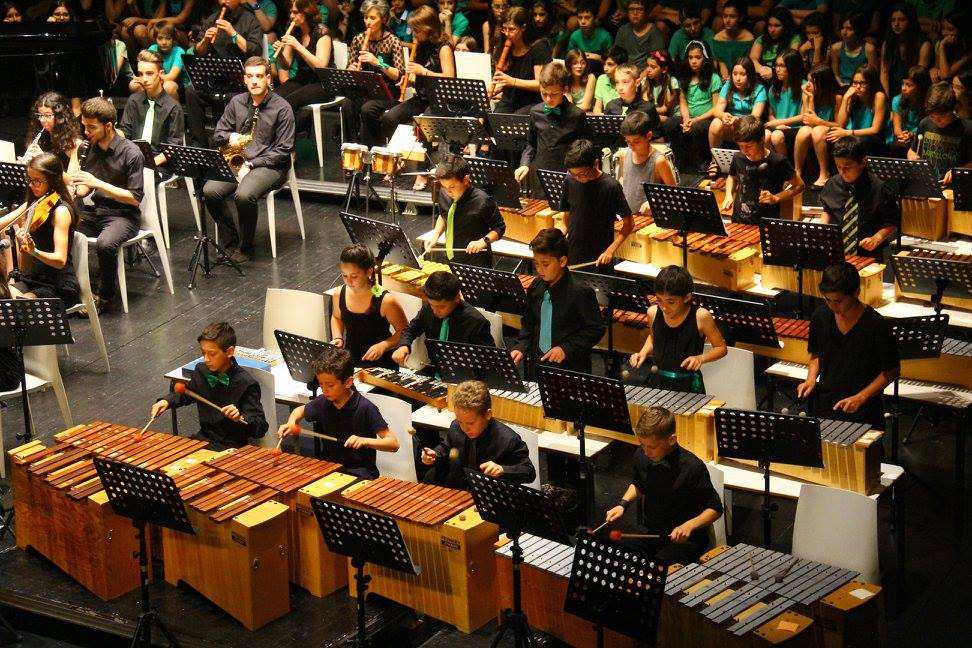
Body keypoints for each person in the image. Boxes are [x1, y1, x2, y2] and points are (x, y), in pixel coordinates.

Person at [603, 406, 723, 565]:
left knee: (657, 568)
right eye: (642, 444)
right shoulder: (641, 455)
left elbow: (715, 508)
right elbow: (639, 484)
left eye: (652, 447)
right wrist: (622, 505)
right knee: (612, 553)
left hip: (685, 539)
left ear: (672, 440)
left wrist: (689, 526)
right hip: (651, 532)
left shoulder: (693, 467)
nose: (646, 452)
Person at [203, 56, 295, 264]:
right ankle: (230, 242)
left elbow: (284, 150)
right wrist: (230, 137)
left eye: (259, 76)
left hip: (270, 165)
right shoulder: (236, 102)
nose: (254, 81)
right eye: (250, 76)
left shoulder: (282, 108)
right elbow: (218, 134)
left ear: (268, 78)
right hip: (239, 161)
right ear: (244, 79)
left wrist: (252, 164)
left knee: (244, 195)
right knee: (210, 191)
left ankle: (246, 248)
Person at [797, 261, 900, 428]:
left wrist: (860, 397)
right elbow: (816, 354)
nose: (832, 306)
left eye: (838, 301)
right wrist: (810, 379)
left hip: (864, 413)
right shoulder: (820, 316)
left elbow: (891, 371)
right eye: (828, 300)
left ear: (856, 292)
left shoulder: (876, 325)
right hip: (825, 406)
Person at [278, 347, 399, 477]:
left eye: (330, 385)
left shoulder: (366, 408)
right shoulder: (323, 402)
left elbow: (393, 443)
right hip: (330, 468)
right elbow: (300, 410)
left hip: (361, 473)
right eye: (321, 384)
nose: (324, 390)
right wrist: (291, 422)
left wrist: (365, 441)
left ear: (348, 382)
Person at [72, 97, 145, 315]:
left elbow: (135, 198)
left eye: (91, 127)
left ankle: (105, 296)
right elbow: (86, 188)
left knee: (105, 244)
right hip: (97, 212)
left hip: (124, 215)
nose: (86, 132)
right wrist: (76, 189)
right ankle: (69, 288)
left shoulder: (131, 153)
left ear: (108, 126)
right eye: (84, 126)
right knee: (60, 226)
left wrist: (97, 183)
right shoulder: (88, 148)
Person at [152, 322, 269, 450]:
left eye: (212, 354)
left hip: (230, 447)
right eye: (203, 353)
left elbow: (261, 427)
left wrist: (240, 417)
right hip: (203, 440)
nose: (206, 359)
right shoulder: (201, 370)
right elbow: (187, 394)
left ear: (229, 352)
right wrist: (166, 401)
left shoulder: (246, 383)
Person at [511, 228, 605, 375]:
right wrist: (521, 346)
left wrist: (566, 348)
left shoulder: (580, 292)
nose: (539, 270)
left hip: (570, 368)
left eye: (545, 264)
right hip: (537, 365)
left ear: (562, 261)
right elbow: (529, 323)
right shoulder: (536, 287)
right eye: (536, 264)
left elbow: (595, 329)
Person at [420, 380, 536, 490]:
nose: (465, 428)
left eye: (471, 423)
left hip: (490, 494)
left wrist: (502, 469)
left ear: (488, 414)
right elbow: (446, 447)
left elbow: (529, 472)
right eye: (460, 421)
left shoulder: (508, 440)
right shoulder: (456, 427)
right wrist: (435, 455)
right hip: (460, 489)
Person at [629, 266, 727, 393]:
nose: (664, 307)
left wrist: (700, 358)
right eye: (659, 300)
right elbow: (654, 338)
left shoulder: (700, 316)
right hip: (658, 381)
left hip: (688, 386)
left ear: (687, 297)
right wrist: (642, 353)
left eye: (671, 302)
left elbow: (721, 348)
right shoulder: (653, 312)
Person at [0, 154, 79, 304]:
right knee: (4, 298)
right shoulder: (34, 205)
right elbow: (3, 223)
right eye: (30, 179)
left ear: (53, 180)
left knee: (21, 305)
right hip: (33, 279)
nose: (31, 185)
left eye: (37, 181)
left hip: (58, 284)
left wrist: (33, 251)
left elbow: (60, 261)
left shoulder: (61, 211)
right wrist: (24, 247)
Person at [184, 0, 264, 148]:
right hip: (215, 76)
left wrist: (233, 33)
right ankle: (199, 146)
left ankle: (228, 146)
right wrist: (205, 40)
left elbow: (255, 51)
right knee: (191, 91)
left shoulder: (250, 20)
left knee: (232, 98)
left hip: (240, 80)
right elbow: (199, 52)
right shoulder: (212, 19)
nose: (224, 1)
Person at [379, 5, 456, 144]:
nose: (414, 34)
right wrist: (409, 81)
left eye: (417, 30)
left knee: (423, 126)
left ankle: (426, 155)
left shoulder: (444, 48)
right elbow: (419, 76)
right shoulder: (421, 45)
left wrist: (423, 71)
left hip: (440, 101)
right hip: (422, 98)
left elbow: (450, 78)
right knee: (389, 118)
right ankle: (395, 152)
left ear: (429, 29)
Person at [392, 271, 495, 368]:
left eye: (441, 307)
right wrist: (404, 345)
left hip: (465, 374)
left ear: (457, 298)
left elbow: (488, 359)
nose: (435, 311)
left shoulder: (476, 321)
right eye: (432, 305)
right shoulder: (428, 309)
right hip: (435, 369)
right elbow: (411, 329)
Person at [558, 139, 633, 270]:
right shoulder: (569, 181)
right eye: (573, 174)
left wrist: (610, 250)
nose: (578, 178)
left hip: (600, 258)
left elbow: (629, 224)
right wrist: (556, 241)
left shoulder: (611, 186)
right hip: (573, 253)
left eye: (582, 174)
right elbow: (566, 218)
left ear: (596, 163)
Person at [330, 244, 408, 369]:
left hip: (380, 363)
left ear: (369, 271)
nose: (348, 281)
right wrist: (338, 337)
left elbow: (405, 332)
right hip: (352, 359)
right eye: (344, 275)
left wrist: (384, 345)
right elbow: (336, 317)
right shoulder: (339, 293)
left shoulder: (386, 301)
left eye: (354, 276)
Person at [821, 135, 899, 258]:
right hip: (836, 251)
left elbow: (892, 222)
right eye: (838, 167)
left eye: (847, 167)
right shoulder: (832, 183)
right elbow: (827, 209)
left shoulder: (880, 189)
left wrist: (876, 238)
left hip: (868, 254)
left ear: (863, 162)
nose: (842, 172)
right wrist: (823, 228)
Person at [516, 62, 592, 182]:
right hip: (541, 173)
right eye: (544, 93)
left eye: (554, 94)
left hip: (568, 175)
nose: (548, 99)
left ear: (564, 89)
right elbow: (531, 143)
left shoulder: (577, 115)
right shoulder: (535, 112)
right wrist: (524, 164)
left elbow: (587, 146)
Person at [425, 154, 506, 268]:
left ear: (465, 180)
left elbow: (500, 228)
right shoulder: (444, 193)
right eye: (444, 187)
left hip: (475, 261)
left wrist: (483, 241)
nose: (448, 192)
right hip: (451, 257)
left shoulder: (483, 201)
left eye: (452, 187)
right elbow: (444, 215)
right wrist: (435, 236)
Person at [344, 0, 405, 146]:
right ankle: (353, 147)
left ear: (383, 19)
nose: (368, 22)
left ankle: (374, 148)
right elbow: (348, 68)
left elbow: (398, 74)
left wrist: (378, 63)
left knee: (368, 109)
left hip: (388, 91)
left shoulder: (393, 41)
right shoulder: (358, 39)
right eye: (365, 17)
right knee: (347, 104)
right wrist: (351, 70)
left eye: (372, 18)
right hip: (365, 89)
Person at [723, 116, 804, 225]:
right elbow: (731, 177)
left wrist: (775, 198)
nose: (744, 150)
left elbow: (799, 185)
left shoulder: (778, 161)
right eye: (740, 146)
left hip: (766, 222)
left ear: (762, 140)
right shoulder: (738, 157)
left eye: (749, 146)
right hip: (739, 220)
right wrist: (728, 194)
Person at [118, 50, 186, 170]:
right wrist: (109, 130)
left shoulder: (173, 107)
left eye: (149, 73)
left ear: (161, 74)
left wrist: (148, 164)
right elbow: (125, 133)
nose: (144, 79)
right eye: (140, 74)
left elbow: (173, 147)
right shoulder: (133, 100)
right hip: (133, 158)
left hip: (159, 164)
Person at [661, 41, 721, 172]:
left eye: (698, 57)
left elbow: (716, 108)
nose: (694, 61)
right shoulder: (685, 78)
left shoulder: (714, 78)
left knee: (698, 128)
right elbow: (683, 102)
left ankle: (700, 161)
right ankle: (679, 160)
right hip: (689, 117)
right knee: (670, 123)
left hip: (705, 118)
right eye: (690, 57)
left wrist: (695, 120)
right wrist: (687, 119)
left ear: (705, 59)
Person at [274, 0, 334, 124]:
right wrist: (279, 54)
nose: (291, 16)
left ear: (306, 12)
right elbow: (286, 64)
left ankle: (291, 135)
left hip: (323, 83)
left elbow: (321, 67)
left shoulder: (322, 32)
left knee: (290, 101)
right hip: (302, 79)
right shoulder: (294, 30)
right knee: (274, 98)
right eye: (290, 12)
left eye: (296, 12)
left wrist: (297, 46)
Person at [491, 6, 553, 114]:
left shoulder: (539, 47)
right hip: (510, 101)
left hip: (533, 103)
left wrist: (512, 81)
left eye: (512, 29)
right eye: (504, 28)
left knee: (516, 118)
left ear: (523, 27)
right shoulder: (503, 47)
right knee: (494, 118)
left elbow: (542, 84)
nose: (507, 34)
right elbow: (504, 81)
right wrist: (497, 88)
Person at [908, 82, 972, 185]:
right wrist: (912, 157)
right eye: (932, 116)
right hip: (928, 184)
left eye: (942, 116)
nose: (937, 121)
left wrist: (958, 171)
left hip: (954, 186)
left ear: (951, 109)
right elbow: (912, 151)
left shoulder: (966, 129)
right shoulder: (925, 123)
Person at [708, 57, 767, 168]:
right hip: (731, 126)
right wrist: (723, 115)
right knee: (715, 123)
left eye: (742, 74)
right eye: (735, 74)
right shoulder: (728, 85)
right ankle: (715, 163)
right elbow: (717, 110)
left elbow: (755, 117)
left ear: (750, 75)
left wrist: (738, 120)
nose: (737, 79)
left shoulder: (759, 89)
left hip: (750, 127)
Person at [617, 109, 676, 215]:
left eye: (636, 141)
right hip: (629, 214)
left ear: (649, 136)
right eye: (628, 141)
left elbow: (673, 192)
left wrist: (653, 201)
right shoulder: (624, 154)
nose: (631, 146)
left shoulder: (659, 161)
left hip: (649, 217)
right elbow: (623, 178)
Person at [795, 64, 844, 188]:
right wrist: (810, 98)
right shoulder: (809, 94)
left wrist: (819, 121)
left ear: (823, 83)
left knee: (817, 131)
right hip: (814, 127)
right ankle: (797, 173)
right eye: (808, 80)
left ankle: (824, 173)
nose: (807, 84)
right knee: (804, 131)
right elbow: (808, 121)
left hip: (829, 128)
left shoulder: (837, 97)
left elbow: (839, 124)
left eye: (812, 81)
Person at [828, 63, 891, 156]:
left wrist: (847, 133)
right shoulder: (853, 97)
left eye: (862, 83)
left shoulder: (879, 96)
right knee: (830, 136)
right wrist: (845, 98)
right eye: (855, 83)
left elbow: (875, 130)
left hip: (875, 139)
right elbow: (840, 124)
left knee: (858, 142)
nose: (857, 87)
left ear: (871, 83)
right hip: (855, 135)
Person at [22, 92, 83, 182]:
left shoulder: (75, 143)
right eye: (39, 115)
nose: (42, 120)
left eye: (47, 115)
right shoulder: (40, 139)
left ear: (60, 116)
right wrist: (24, 166)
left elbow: (71, 181)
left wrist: (44, 161)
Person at [880, 4, 932, 99]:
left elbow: (918, 78)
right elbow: (884, 74)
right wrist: (886, 99)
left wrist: (902, 100)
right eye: (893, 20)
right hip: (892, 92)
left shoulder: (923, 44)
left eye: (901, 20)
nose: (896, 24)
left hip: (913, 93)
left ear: (910, 21)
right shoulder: (887, 44)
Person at [765, 51, 807, 157]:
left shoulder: (804, 86)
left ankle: (785, 165)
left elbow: (804, 116)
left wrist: (781, 122)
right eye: (776, 65)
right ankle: (775, 164)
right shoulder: (774, 88)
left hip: (796, 127)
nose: (777, 69)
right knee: (765, 135)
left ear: (792, 67)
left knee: (776, 136)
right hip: (779, 126)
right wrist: (777, 124)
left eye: (782, 66)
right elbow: (771, 114)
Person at [750, 6, 800, 84]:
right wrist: (762, 70)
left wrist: (773, 72)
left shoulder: (794, 39)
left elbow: (791, 62)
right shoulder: (762, 39)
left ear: (786, 26)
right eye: (770, 25)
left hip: (784, 77)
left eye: (777, 26)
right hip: (763, 75)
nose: (772, 30)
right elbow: (753, 59)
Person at [612, 0, 665, 72]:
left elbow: (656, 62)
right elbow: (616, 56)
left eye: (640, 9)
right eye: (631, 9)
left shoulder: (654, 32)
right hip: (625, 72)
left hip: (647, 73)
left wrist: (643, 75)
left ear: (647, 12)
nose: (635, 13)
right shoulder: (623, 30)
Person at [138, 21, 187, 98]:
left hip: (177, 86)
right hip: (156, 80)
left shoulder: (179, 51)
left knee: (168, 86)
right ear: (155, 39)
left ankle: (173, 106)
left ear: (173, 39)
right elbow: (145, 70)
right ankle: (147, 105)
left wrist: (150, 79)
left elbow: (171, 77)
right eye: (160, 38)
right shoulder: (153, 48)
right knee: (134, 85)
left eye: (168, 38)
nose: (164, 42)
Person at [890, 66, 930, 158]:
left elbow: (927, 129)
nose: (903, 88)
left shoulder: (928, 102)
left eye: (909, 85)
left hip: (922, 137)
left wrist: (912, 135)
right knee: (896, 146)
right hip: (905, 137)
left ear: (920, 87)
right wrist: (903, 136)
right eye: (903, 84)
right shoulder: (897, 100)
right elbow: (897, 129)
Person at [828, 12, 877, 87]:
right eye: (842, 28)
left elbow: (873, 76)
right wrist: (842, 85)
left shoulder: (869, 49)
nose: (844, 32)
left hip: (861, 86)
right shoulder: (836, 48)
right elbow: (835, 74)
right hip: (842, 86)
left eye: (849, 29)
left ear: (858, 30)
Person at [712, 1, 755, 80]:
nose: (727, 20)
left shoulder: (749, 38)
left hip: (742, 77)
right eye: (725, 16)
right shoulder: (718, 38)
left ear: (740, 18)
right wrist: (726, 79)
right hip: (724, 78)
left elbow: (747, 66)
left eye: (732, 16)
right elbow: (722, 65)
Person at [642, 50, 679, 125]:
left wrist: (647, 111)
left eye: (653, 67)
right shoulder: (646, 81)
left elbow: (665, 109)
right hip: (654, 113)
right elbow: (646, 103)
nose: (648, 70)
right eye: (647, 65)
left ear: (664, 69)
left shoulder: (672, 82)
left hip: (672, 116)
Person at [932, 11, 971, 83]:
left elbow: (945, 75)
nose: (944, 33)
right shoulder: (941, 43)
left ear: (961, 30)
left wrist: (942, 47)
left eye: (950, 29)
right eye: (943, 28)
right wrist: (932, 70)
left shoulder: (968, 51)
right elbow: (937, 69)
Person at [591, 46, 626, 113]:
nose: (605, 69)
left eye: (610, 64)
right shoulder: (602, 79)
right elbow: (597, 107)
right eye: (604, 64)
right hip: (607, 117)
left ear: (621, 65)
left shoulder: (629, 81)